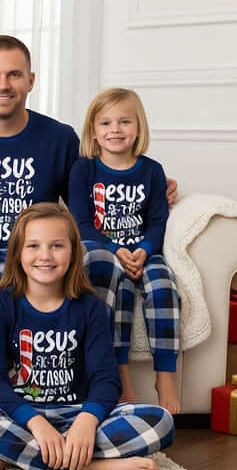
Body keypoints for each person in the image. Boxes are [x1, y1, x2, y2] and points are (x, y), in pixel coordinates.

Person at [0, 34, 176, 402]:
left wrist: (153, 184)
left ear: (31, 80)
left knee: (100, 255)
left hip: (38, 257)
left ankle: (90, 394)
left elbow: (95, 184)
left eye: (13, 74)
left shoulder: (59, 138)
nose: (3, 85)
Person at [0, 203, 174, 470]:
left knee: (160, 421)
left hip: (76, 412)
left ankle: (23, 456)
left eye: (57, 246)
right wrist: (35, 422)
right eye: (33, 246)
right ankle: (92, 465)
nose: (45, 255)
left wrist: (88, 420)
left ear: (73, 253)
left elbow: (106, 379)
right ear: (18, 253)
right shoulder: (0, 303)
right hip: (23, 417)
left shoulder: (89, 307)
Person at [68, 88, 181, 414]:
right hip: (105, 254)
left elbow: (158, 219)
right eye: (105, 123)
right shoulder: (84, 170)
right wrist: (116, 249)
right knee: (118, 297)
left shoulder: (151, 171)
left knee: (164, 288)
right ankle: (120, 375)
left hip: (146, 253)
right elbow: (81, 223)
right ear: (93, 131)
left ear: (138, 127)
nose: (115, 129)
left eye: (124, 121)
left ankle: (166, 376)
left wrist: (145, 249)